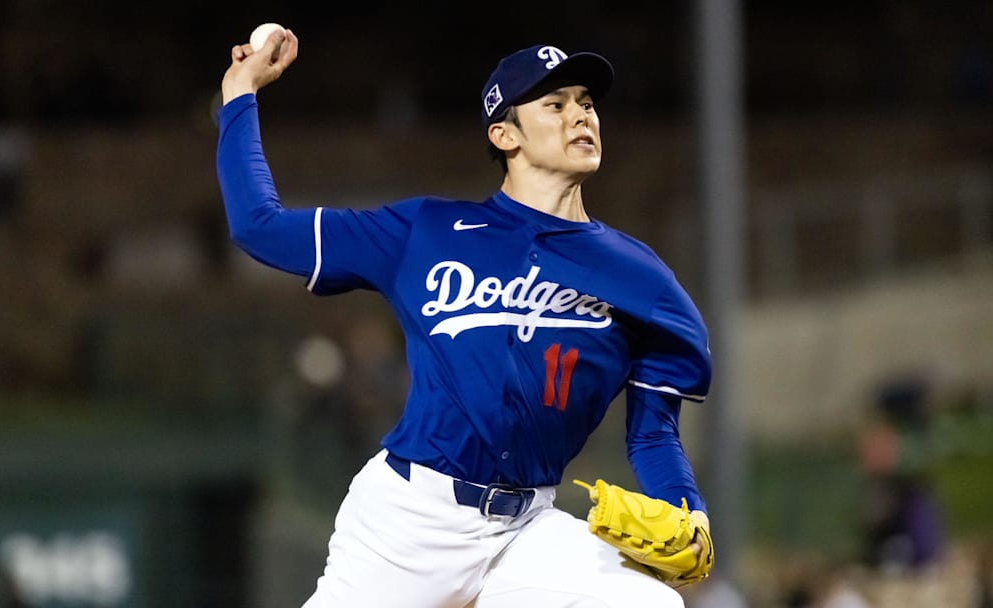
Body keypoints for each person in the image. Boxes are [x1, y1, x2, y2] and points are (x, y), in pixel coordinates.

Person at [217, 29, 713, 608]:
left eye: (586, 102)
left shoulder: (642, 280)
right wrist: (239, 94)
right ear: (504, 134)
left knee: (648, 603)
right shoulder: (426, 232)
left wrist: (689, 511)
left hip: (527, 528)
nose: (580, 115)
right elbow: (258, 226)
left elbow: (653, 434)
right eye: (555, 105)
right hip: (410, 522)